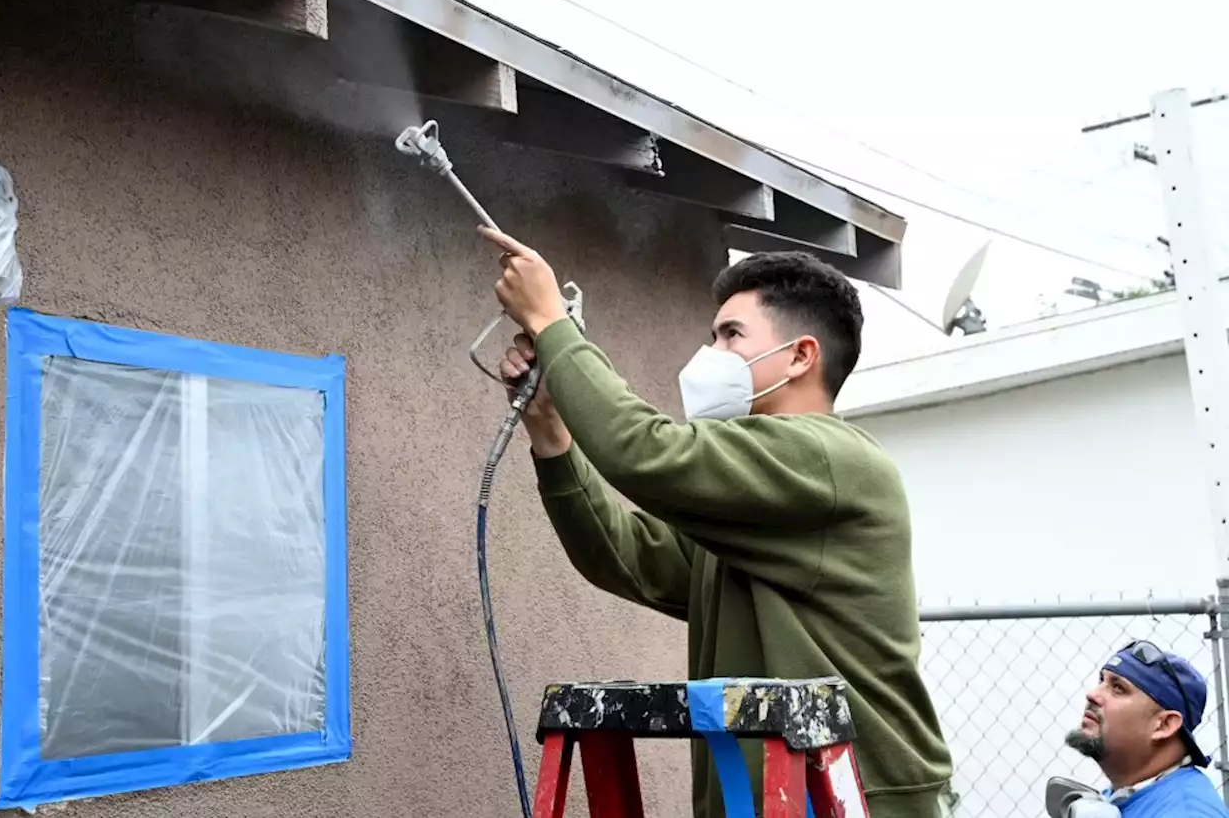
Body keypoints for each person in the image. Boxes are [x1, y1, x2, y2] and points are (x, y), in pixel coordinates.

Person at [481, 226, 953, 818]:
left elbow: (642, 452)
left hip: (856, 801)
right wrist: (550, 433)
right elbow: (624, 556)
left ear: (802, 355)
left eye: (732, 335)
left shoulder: (829, 458)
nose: (712, 355)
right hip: (766, 800)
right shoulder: (754, 505)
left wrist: (552, 322)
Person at [1061, 640, 1229, 815]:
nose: (1093, 694)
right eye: (1102, 681)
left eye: (1118, 688)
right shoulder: (1131, 794)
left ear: (1164, 725)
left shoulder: (1187, 812)